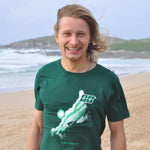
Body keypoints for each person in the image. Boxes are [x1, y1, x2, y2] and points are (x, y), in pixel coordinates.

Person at [27, 4, 130, 150]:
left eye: (80, 34)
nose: (74, 42)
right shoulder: (44, 75)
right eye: (67, 34)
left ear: (90, 38)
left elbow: (117, 132)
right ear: (57, 37)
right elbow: (38, 127)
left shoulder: (108, 81)